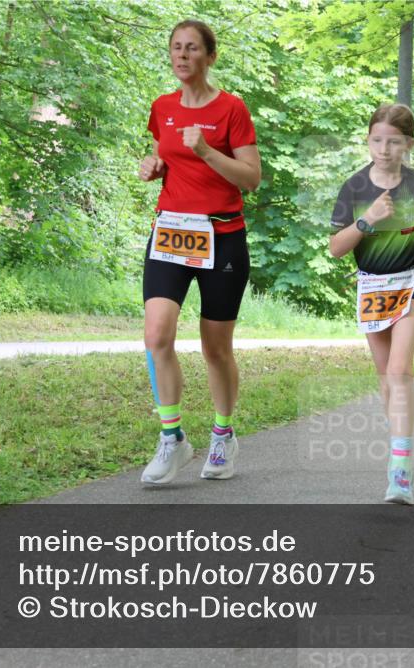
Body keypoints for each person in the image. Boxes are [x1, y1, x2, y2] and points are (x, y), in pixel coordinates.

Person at [137, 20, 262, 485]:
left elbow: (250, 178)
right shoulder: (163, 108)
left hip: (222, 236)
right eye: (176, 48)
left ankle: (223, 435)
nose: (182, 56)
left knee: (215, 348)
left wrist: (208, 151)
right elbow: (164, 155)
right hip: (171, 232)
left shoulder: (231, 109)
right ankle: (172, 440)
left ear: (210, 57)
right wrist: (155, 166)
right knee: (157, 336)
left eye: (192, 49)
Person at [330, 103, 414, 504]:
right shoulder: (354, 188)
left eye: (393, 142)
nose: (384, 149)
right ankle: (399, 443)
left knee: (399, 369)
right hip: (372, 288)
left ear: (409, 145)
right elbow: (335, 249)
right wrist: (366, 221)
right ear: (368, 140)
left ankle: (400, 468)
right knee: (385, 376)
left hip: (412, 281)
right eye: (377, 140)